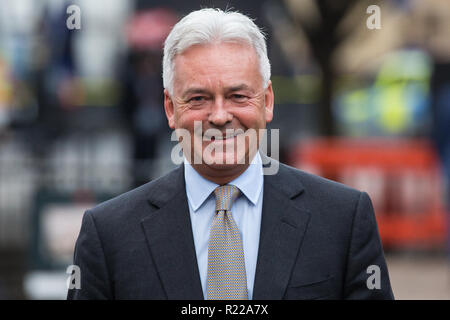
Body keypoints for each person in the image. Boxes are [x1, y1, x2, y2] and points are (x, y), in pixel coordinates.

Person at [67, 8, 394, 300]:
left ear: (267, 101)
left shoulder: (342, 220)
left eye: (238, 95)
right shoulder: (109, 235)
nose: (220, 116)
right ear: (170, 108)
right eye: (198, 98)